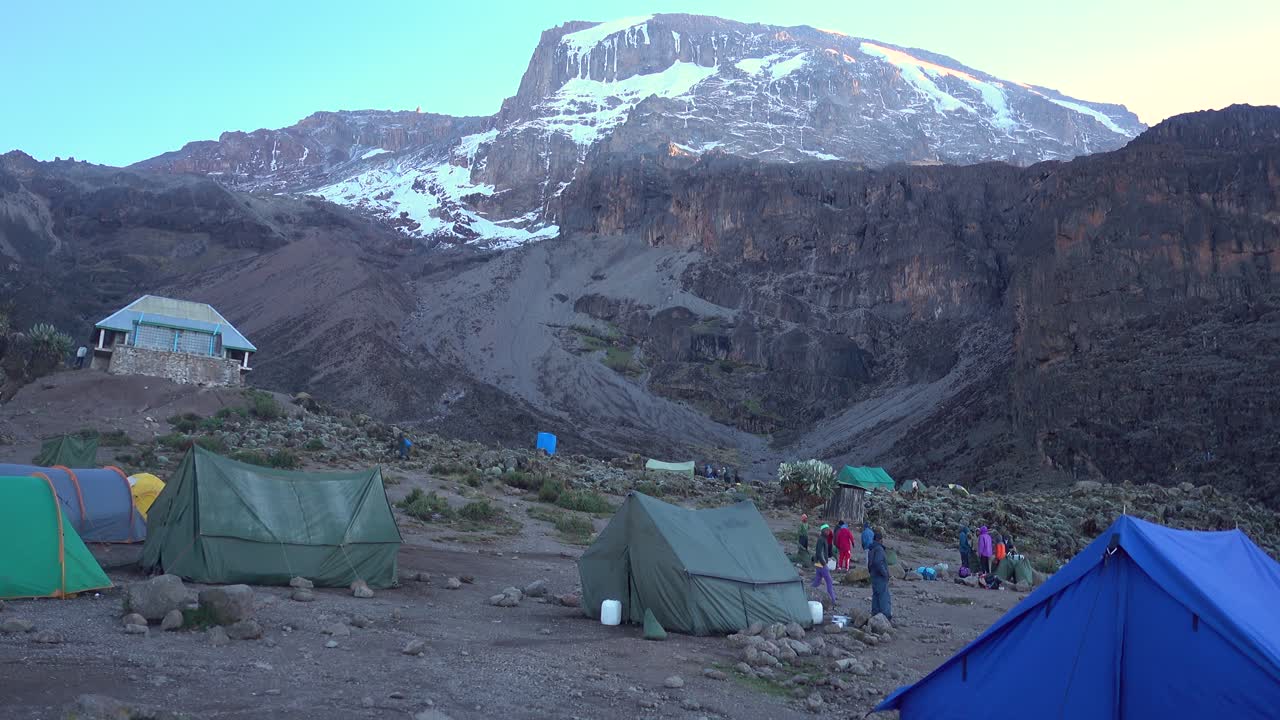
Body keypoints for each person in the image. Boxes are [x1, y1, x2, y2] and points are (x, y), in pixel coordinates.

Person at [867, 526, 892, 621]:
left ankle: (875, 613)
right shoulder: (879, 549)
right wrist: (885, 573)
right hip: (880, 576)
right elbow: (878, 562)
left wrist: (870, 571)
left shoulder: (871, 549)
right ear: (880, 540)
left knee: (876, 595)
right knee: (883, 595)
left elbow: (870, 563)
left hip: (873, 575)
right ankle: (885, 615)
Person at [810, 524, 836, 607]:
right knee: (829, 581)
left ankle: (807, 591)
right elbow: (819, 552)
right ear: (822, 531)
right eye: (826, 530)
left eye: (828, 530)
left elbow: (822, 552)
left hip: (819, 563)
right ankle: (832, 600)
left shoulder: (823, 539)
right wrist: (824, 562)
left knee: (817, 581)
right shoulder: (821, 539)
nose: (828, 531)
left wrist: (828, 558)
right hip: (821, 563)